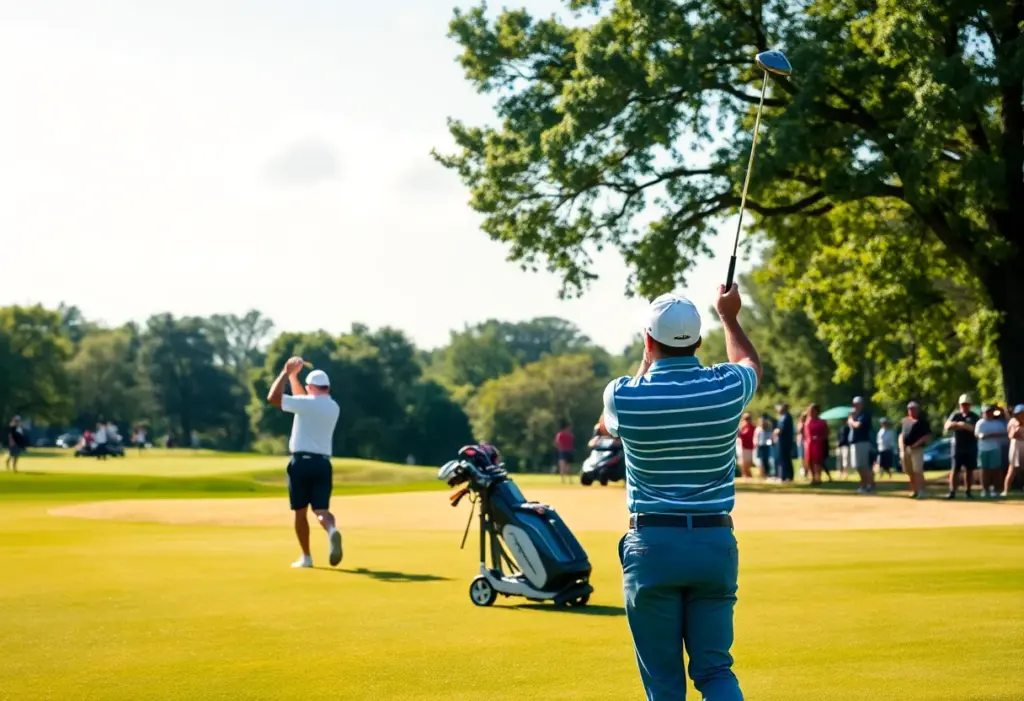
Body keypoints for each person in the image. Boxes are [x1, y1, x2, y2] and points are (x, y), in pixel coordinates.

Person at [599, 284, 760, 701]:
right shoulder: (727, 387)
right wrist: (729, 315)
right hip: (713, 544)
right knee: (715, 671)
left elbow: (607, 423)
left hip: (653, 547)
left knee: (665, 684)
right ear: (699, 341)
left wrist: (647, 357)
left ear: (649, 341)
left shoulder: (623, 395)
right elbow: (747, 361)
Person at [266, 357, 343, 569]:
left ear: (310, 387)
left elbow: (273, 398)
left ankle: (306, 557)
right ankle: (332, 531)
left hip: (300, 463)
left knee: (300, 512)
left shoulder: (306, 404)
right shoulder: (333, 406)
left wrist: (285, 372)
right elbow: (303, 399)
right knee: (321, 511)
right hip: (322, 464)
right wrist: (294, 376)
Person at [944, 393, 979, 499]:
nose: (965, 406)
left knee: (969, 470)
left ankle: (968, 491)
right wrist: (960, 425)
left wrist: (962, 426)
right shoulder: (955, 415)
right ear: (960, 405)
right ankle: (952, 491)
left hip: (970, 446)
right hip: (957, 446)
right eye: (963, 404)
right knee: (955, 469)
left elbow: (973, 429)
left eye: (967, 404)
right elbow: (947, 426)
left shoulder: (974, 416)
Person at [899, 401, 931, 499]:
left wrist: (916, 444)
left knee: (917, 470)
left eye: (914, 409)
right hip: (905, 449)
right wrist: (901, 448)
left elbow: (927, 436)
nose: (912, 411)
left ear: (917, 410)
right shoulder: (905, 421)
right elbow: (901, 435)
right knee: (909, 471)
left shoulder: (922, 422)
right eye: (910, 409)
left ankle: (921, 491)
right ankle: (914, 490)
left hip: (917, 449)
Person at [975, 405, 1005, 498]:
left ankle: (995, 490)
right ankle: (985, 489)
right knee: (984, 470)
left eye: (990, 412)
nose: (988, 414)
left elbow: (1003, 433)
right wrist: (982, 436)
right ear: (983, 413)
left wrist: (993, 435)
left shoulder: (997, 423)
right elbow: (977, 434)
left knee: (995, 470)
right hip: (983, 449)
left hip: (995, 449)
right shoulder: (980, 423)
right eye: (986, 412)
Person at [848, 396, 875, 493]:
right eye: (854, 404)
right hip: (855, 442)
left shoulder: (864, 415)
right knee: (858, 466)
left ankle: (868, 485)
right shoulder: (855, 415)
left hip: (863, 442)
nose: (854, 406)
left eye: (856, 404)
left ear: (861, 405)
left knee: (864, 465)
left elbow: (857, 425)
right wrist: (852, 419)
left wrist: (851, 420)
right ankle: (864, 484)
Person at [802, 404, 830, 484]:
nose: (811, 413)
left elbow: (826, 432)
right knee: (809, 461)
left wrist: (820, 438)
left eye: (812, 411)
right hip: (809, 443)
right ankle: (813, 477)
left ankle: (818, 477)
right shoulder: (807, 422)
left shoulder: (822, 422)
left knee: (817, 461)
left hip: (818, 444)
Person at [1001, 404, 1024, 497]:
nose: (1021, 415)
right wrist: (1018, 427)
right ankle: (1006, 490)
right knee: (1012, 469)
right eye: (1019, 413)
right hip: (1016, 446)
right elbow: (1010, 436)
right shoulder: (1012, 422)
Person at [773, 403, 795, 482]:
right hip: (783, 441)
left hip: (785, 442)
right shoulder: (784, 416)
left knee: (785, 458)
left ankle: (786, 476)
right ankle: (784, 476)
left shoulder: (785, 417)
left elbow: (780, 430)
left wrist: (775, 431)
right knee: (784, 458)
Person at [754, 414, 773, 479]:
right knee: (761, 460)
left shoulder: (768, 429)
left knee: (766, 460)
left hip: (766, 446)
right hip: (760, 446)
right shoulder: (758, 429)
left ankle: (767, 473)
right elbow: (755, 438)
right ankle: (762, 474)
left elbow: (770, 437)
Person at [736, 413, 755, 479]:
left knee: (745, 463)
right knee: (744, 463)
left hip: (746, 447)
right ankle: (745, 476)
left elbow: (744, 435)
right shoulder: (748, 426)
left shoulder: (747, 426)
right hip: (745, 446)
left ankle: (746, 476)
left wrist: (738, 433)